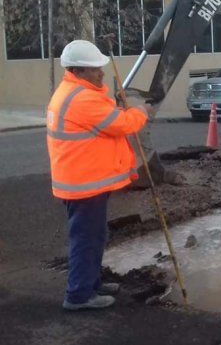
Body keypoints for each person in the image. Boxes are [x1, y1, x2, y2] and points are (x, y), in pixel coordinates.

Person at [47, 40, 151, 311]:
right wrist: (141, 112)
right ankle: (79, 296)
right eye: (95, 69)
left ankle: (90, 283)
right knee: (87, 239)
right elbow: (122, 124)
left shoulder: (73, 92)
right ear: (79, 71)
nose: (101, 73)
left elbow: (104, 120)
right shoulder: (82, 98)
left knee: (94, 236)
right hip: (84, 185)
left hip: (82, 182)